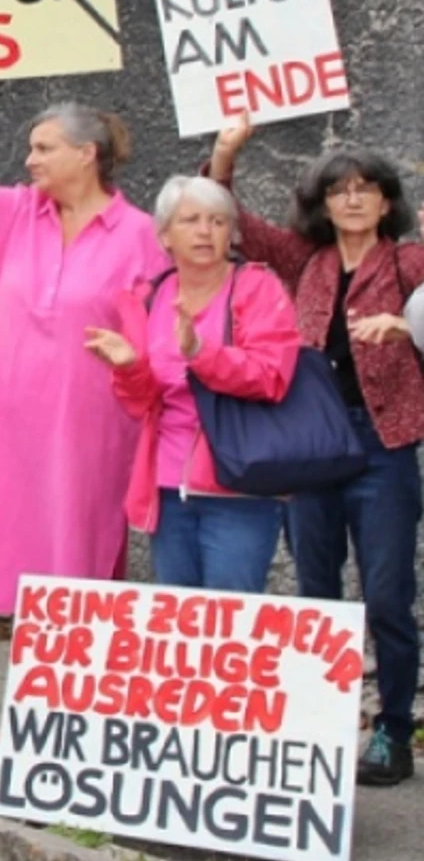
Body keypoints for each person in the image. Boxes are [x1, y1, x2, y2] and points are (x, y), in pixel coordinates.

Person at [211, 118, 424, 785]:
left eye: (366, 189)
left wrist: (408, 321)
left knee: (387, 595)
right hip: (313, 447)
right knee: (316, 594)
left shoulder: (409, 262)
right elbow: (231, 221)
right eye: (340, 189)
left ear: (386, 201)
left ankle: (392, 729)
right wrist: (224, 153)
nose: (353, 199)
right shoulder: (307, 260)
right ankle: (319, 728)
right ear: (324, 202)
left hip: (383, 443)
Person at [0, 69, 164, 633]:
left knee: (76, 556)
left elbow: (156, 331)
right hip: (4, 420)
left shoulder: (141, 234)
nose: (29, 160)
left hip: (86, 426)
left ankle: (72, 703)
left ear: (86, 154)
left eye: (43, 148)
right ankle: (33, 707)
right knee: (16, 555)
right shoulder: (14, 212)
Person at [83, 177, 297, 593]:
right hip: (166, 482)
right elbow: (141, 403)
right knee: (180, 619)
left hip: (238, 481)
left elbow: (271, 376)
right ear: (165, 235)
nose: (205, 231)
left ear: (231, 234)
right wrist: (128, 368)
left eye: (218, 221)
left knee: (229, 618)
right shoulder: (148, 297)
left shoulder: (257, 287)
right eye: (191, 220)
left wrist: (200, 352)